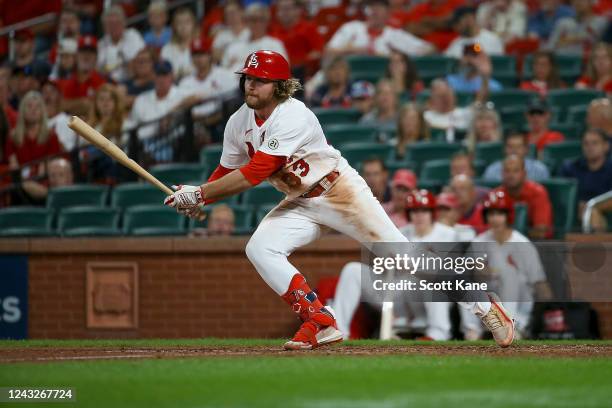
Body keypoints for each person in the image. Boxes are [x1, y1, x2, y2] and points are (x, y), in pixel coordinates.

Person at [163, 50, 516, 349]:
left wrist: (200, 194)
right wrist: (199, 198)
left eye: (260, 79)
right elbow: (227, 168)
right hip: (300, 200)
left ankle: (480, 303)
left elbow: (256, 172)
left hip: (338, 191)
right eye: (247, 78)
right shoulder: (238, 122)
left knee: (405, 258)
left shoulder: (293, 114)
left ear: (280, 85)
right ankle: (320, 319)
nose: (250, 84)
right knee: (260, 248)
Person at [471, 190, 552, 337]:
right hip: (489, 307)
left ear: (508, 216)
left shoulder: (522, 244)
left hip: (518, 306)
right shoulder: (479, 242)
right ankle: (472, 331)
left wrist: (551, 309)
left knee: (509, 273)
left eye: (500, 214)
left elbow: (539, 284)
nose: (495, 219)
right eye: (491, 214)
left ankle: (512, 326)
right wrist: (478, 273)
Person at [325, 0, 434, 58]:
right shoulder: (351, 28)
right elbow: (328, 52)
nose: (374, 10)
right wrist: (354, 50)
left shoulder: (395, 34)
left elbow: (430, 49)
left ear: (388, 13)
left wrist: (399, 55)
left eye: (379, 7)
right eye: (371, 6)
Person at [561, 129, 612, 232]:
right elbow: (562, 195)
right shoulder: (571, 168)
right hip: (575, 212)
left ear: (606, 146)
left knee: (592, 213)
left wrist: (592, 207)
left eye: (595, 143)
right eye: (586, 143)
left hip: (605, 212)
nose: (590, 147)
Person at [128, 60, 189, 141]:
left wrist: (170, 114)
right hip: (143, 142)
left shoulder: (181, 94)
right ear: (153, 77)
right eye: (158, 75)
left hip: (173, 141)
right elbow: (133, 123)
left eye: (164, 75)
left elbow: (198, 97)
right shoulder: (142, 98)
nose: (161, 79)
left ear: (171, 76)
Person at [5, 91, 61, 179]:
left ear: (42, 111)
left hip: (46, 179)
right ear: (22, 110)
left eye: (37, 107)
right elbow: (14, 167)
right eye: (29, 106)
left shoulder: (51, 135)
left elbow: (51, 166)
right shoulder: (13, 137)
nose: (33, 110)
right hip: (20, 182)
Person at [178, 39, 238, 120]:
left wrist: (202, 97)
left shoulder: (223, 74)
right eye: (195, 54)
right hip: (194, 123)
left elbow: (235, 93)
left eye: (202, 54)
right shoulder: (185, 82)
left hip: (220, 121)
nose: (198, 58)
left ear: (210, 55)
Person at [221, 3, 288, 73]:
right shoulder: (234, 46)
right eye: (252, 19)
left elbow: (282, 72)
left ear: (267, 22)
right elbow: (222, 71)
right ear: (247, 22)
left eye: (261, 19)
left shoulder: (275, 45)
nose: (257, 23)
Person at [498, 155, 553, 239]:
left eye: (516, 171)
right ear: (502, 174)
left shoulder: (538, 192)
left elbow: (541, 232)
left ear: (524, 173)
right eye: (507, 171)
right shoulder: (496, 194)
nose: (511, 175)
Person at [269, 0, 324, 79]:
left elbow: (318, 52)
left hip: (304, 75)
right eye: (280, 9)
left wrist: (299, 62)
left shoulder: (308, 28)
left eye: (287, 9)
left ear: (298, 10)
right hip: (278, 75)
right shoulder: (273, 31)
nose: (283, 13)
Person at [59, 35, 107, 117]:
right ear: (77, 56)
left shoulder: (102, 80)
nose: (86, 56)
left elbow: (104, 107)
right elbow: (62, 106)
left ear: (96, 57)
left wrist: (75, 105)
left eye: (90, 52)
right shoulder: (70, 81)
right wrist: (82, 102)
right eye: (83, 52)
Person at [97, 5, 145, 82]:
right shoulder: (101, 44)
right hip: (107, 83)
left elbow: (141, 59)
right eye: (110, 24)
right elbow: (98, 68)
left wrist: (122, 60)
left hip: (131, 80)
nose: (114, 27)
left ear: (124, 23)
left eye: (117, 23)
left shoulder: (133, 35)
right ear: (104, 27)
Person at [483, 131, 550, 182]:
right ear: (504, 149)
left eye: (519, 147)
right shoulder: (492, 170)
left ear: (526, 149)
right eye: (510, 146)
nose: (514, 150)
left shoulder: (539, 169)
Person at [161, 7, 198, 80]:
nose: (183, 26)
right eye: (179, 23)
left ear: (193, 24)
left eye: (187, 22)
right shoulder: (167, 49)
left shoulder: (201, 45)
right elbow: (164, 74)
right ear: (174, 26)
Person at [41, 81, 76, 152]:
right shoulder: (37, 122)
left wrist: (52, 137)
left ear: (59, 96)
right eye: (45, 92)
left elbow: (68, 151)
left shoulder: (65, 120)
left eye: (52, 92)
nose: (48, 96)